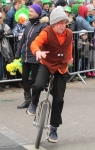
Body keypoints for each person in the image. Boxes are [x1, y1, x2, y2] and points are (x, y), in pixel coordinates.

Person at [27, 6, 73, 143]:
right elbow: (35, 43)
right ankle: (34, 103)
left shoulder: (69, 33)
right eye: (60, 23)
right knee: (38, 85)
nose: (62, 25)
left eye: (64, 22)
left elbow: (69, 47)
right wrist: (37, 52)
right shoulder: (46, 32)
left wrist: (70, 58)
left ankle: (53, 128)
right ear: (53, 24)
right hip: (47, 63)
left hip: (61, 67)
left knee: (59, 99)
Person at [15, 4, 48, 109]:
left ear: (37, 13)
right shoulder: (28, 24)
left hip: (35, 56)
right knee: (24, 78)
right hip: (25, 55)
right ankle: (27, 100)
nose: (29, 13)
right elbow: (23, 40)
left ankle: (34, 101)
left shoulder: (43, 25)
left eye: (32, 11)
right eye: (29, 11)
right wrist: (17, 52)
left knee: (34, 80)